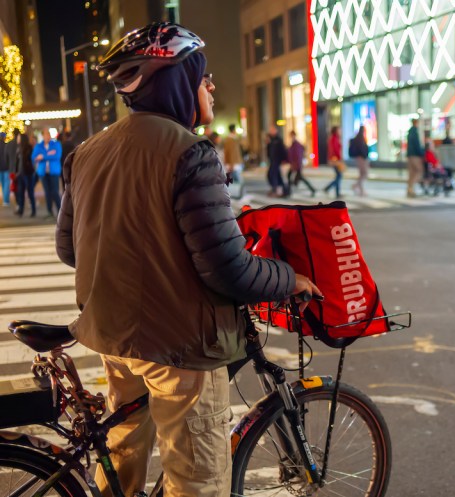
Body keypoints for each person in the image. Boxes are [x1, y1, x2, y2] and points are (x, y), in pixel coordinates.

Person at [55, 23, 321, 497]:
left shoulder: (86, 153)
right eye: (203, 76)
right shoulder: (189, 152)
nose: (211, 86)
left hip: (113, 335)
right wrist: (289, 278)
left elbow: (68, 249)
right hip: (179, 347)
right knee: (198, 480)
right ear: (176, 81)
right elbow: (228, 268)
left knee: (121, 456)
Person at [32, 128, 62, 217]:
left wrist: (43, 156)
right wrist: (49, 154)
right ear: (43, 136)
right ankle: (49, 212)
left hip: (54, 172)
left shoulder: (56, 144)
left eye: (48, 135)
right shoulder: (38, 146)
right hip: (43, 172)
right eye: (45, 135)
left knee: (55, 192)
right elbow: (34, 157)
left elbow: (57, 156)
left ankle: (60, 211)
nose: (47, 136)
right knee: (47, 192)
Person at [287, 130, 315, 196]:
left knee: (293, 176)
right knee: (295, 177)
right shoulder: (293, 144)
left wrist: (295, 164)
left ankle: (289, 190)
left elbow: (298, 155)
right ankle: (290, 189)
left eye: (292, 135)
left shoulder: (296, 144)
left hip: (296, 164)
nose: (291, 137)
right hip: (295, 164)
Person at [14, 132, 35, 217]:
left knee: (30, 192)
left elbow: (30, 161)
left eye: (19, 138)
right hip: (20, 174)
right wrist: (16, 172)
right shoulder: (18, 148)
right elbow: (17, 162)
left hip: (28, 173)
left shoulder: (28, 148)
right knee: (20, 193)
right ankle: (21, 210)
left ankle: (33, 210)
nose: (17, 139)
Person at [266, 126, 289, 197]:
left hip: (277, 160)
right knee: (273, 175)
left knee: (273, 175)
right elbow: (269, 150)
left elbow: (282, 150)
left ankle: (276, 190)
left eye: (272, 130)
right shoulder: (270, 140)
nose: (271, 132)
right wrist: (268, 144)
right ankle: (281, 190)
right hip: (272, 160)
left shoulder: (278, 140)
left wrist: (284, 159)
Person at [324, 126, 344, 198]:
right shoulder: (334, 138)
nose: (340, 131)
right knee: (339, 176)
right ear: (336, 131)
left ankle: (336, 192)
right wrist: (339, 158)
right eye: (339, 130)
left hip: (334, 159)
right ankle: (329, 188)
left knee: (338, 176)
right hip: (336, 160)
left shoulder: (333, 138)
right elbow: (335, 150)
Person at [349, 126, 369, 197]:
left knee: (362, 174)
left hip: (359, 158)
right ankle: (357, 187)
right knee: (364, 174)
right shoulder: (361, 139)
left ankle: (359, 189)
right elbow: (362, 150)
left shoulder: (358, 138)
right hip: (362, 159)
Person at [406, 118, 423, 198]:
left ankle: (409, 189)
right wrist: (421, 153)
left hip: (410, 155)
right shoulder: (415, 132)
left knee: (412, 172)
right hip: (415, 155)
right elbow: (417, 144)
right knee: (419, 170)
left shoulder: (410, 132)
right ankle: (411, 188)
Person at [4, 129, 19, 208]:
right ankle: (19, 202)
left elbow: (6, 156)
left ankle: (17, 202)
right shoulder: (19, 143)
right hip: (19, 168)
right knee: (20, 185)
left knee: (13, 185)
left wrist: (9, 165)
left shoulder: (9, 144)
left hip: (11, 168)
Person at [0, 132, 9, 206]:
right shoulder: (7, 145)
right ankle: (5, 200)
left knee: (3, 183)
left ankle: (5, 199)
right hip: (6, 167)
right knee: (6, 183)